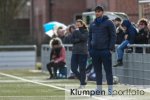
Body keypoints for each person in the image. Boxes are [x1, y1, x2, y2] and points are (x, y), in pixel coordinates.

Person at [88, 6, 116, 95]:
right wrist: (90, 49)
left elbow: (113, 36)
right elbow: (89, 37)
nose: (97, 13)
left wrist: (110, 48)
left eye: (99, 11)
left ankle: (110, 90)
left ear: (102, 12)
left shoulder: (109, 23)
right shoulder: (92, 24)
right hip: (95, 51)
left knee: (108, 71)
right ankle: (99, 90)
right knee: (98, 71)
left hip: (105, 51)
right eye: (96, 11)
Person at [70, 19, 88, 88]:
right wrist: (78, 40)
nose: (77, 24)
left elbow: (84, 38)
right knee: (73, 68)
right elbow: (71, 40)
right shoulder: (75, 32)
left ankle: (82, 84)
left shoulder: (85, 31)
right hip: (75, 52)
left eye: (78, 23)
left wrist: (78, 35)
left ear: (82, 24)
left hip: (83, 52)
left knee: (82, 68)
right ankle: (82, 80)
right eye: (76, 23)